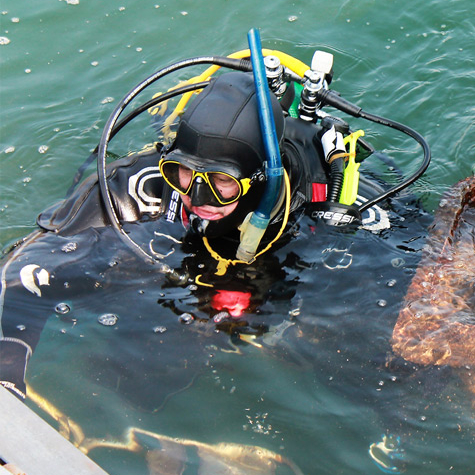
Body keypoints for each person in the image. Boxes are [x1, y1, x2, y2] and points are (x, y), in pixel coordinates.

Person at [0, 69, 394, 400]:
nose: (199, 198)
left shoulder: (320, 198)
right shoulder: (142, 185)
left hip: (277, 254)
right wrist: (8, 371)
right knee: (132, 376)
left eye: (222, 182)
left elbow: (402, 264)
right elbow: (26, 271)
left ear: (262, 177)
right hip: (186, 267)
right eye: (186, 173)